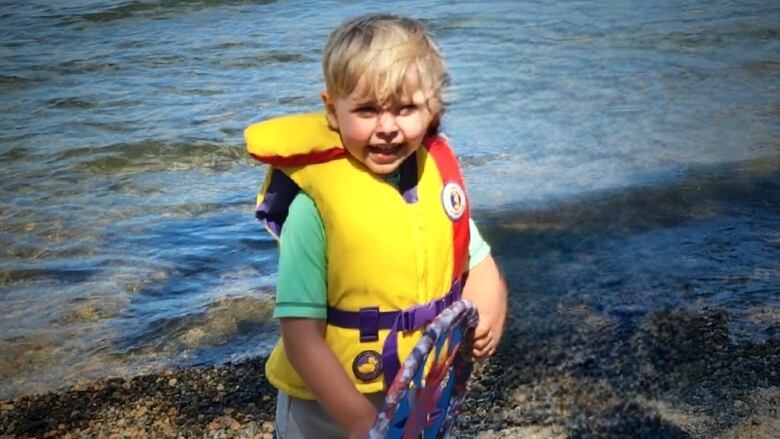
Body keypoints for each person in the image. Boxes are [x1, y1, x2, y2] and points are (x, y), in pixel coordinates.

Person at [245, 13, 508, 439]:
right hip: (325, 407)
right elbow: (300, 337)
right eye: (366, 110)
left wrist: (489, 308)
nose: (387, 128)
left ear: (433, 107)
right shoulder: (313, 209)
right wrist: (356, 420)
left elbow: (476, 258)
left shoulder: (434, 180)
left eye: (406, 109)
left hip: (414, 388)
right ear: (332, 110)